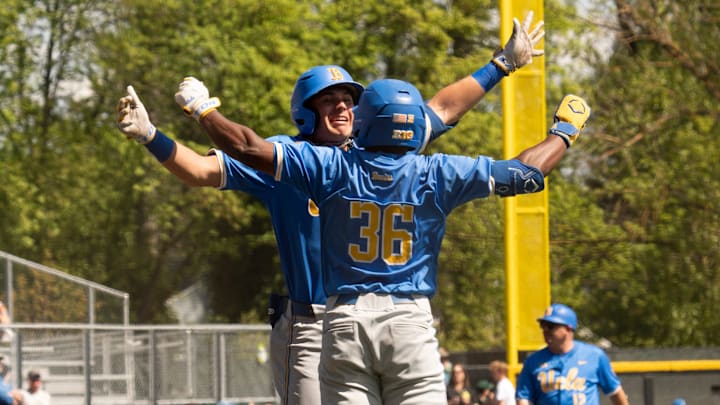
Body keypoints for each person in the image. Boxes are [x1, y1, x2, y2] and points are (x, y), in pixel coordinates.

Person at [116, 13, 545, 405]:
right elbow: (200, 170)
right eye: (329, 101)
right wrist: (152, 135)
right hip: (312, 325)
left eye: (348, 99)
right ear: (306, 113)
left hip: (384, 318)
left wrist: (501, 65)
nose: (343, 106)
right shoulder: (285, 156)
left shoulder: (379, 147)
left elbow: (441, 108)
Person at [516, 304, 629, 405]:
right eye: (543, 325)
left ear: (568, 328)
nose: (545, 330)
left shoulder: (594, 356)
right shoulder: (533, 362)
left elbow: (615, 392)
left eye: (551, 326)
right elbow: (523, 398)